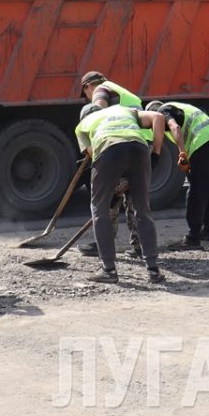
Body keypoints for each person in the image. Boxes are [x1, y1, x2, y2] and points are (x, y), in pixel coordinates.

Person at [74, 103, 167, 284]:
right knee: (142, 208)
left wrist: (112, 188)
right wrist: (155, 153)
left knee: (99, 208)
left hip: (108, 150)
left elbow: (95, 154)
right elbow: (158, 117)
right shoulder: (124, 110)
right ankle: (153, 270)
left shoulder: (82, 126)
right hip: (139, 150)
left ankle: (108, 269)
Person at [78, 71, 144, 258]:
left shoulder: (101, 90)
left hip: (118, 146)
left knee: (108, 196)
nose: (88, 97)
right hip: (138, 146)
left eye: (85, 94)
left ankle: (104, 243)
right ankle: (140, 246)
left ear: (88, 86)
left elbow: (96, 112)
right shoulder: (120, 92)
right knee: (133, 199)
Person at [146, 101, 209, 248]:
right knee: (207, 187)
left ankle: (192, 238)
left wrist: (182, 153)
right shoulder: (177, 107)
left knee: (196, 189)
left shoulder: (163, 111)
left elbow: (175, 127)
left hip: (202, 142)